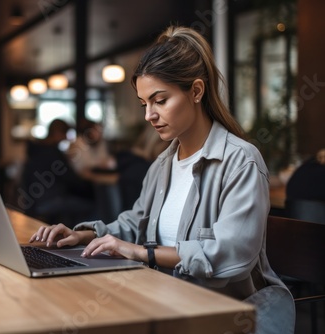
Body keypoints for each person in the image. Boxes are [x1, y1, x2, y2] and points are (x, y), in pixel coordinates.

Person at [29, 26, 295, 334]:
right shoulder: (163, 164)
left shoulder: (240, 160)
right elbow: (136, 223)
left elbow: (231, 254)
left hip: (225, 316)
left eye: (160, 100)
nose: (149, 115)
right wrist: (83, 237)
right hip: (167, 301)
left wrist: (143, 253)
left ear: (196, 91)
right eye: (145, 104)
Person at [18, 119, 96, 227]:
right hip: (51, 201)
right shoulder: (53, 153)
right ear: (58, 133)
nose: (66, 138)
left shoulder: (35, 151)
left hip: (33, 203)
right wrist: (89, 184)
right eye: (65, 134)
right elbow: (71, 179)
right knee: (92, 206)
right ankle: (81, 238)